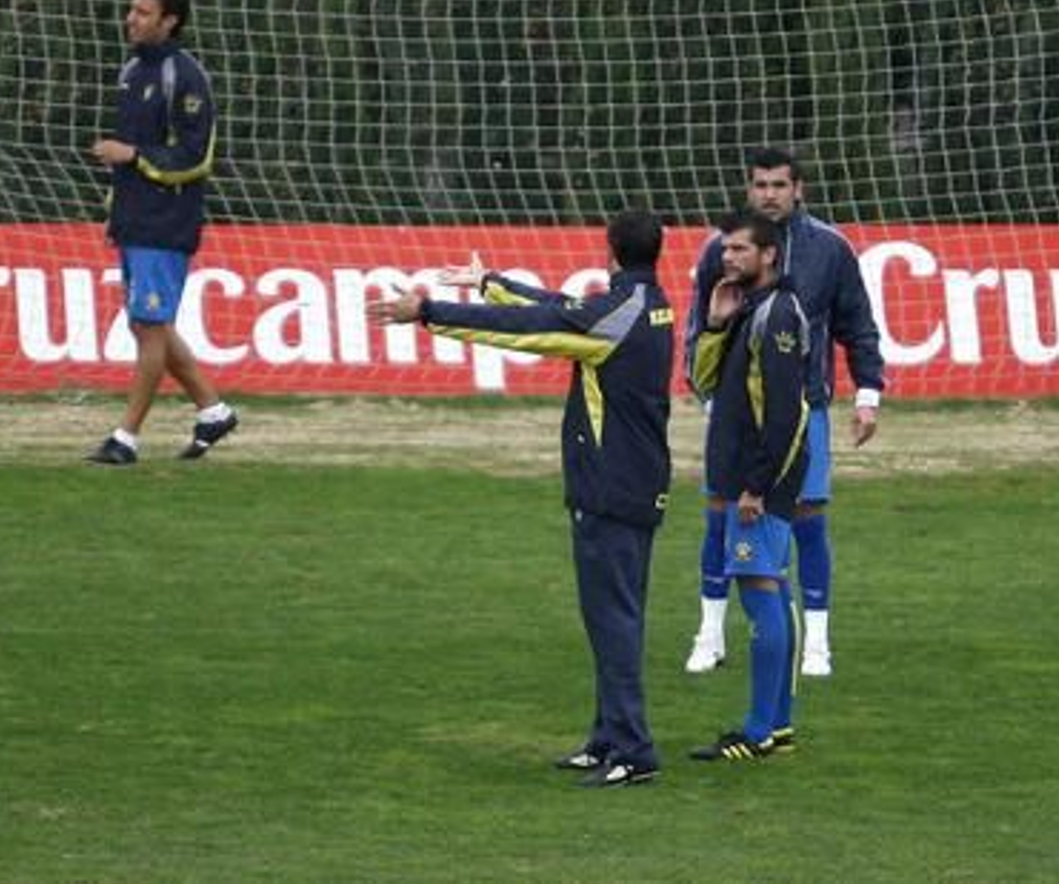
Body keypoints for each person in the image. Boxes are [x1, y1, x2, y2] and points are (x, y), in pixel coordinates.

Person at [367, 210, 674, 788]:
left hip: (611, 489)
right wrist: (492, 283)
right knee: (609, 616)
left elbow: (533, 329)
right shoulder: (645, 304)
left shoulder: (614, 317)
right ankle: (609, 736)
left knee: (614, 620)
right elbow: (558, 306)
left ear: (609, 252)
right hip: (631, 482)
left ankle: (634, 749)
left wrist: (430, 313)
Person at [683, 148, 885, 676]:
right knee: (720, 517)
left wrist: (868, 394)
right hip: (732, 418)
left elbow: (856, 324)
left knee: (807, 519)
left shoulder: (830, 249)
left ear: (799, 190)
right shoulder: (721, 250)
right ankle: (709, 635)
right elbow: (697, 328)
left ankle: (816, 642)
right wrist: (708, 399)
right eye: (759, 185)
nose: (768, 193)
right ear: (748, 190)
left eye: (778, 184)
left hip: (804, 408)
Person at [86, 0, 237, 465]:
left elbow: (198, 155)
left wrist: (130, 155)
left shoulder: (186, 76)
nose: (131, 18)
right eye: (132, 9)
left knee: (150, 326)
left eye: (144, 12)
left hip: (166, 221)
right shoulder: (131, 71)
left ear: (169, 22)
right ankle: (213, 411)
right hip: (132, 217)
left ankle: (125, 438)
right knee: (145, 324)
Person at [688, 209, 808, 762]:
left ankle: (760, 730)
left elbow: (785, 412)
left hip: (759, 482)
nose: (728, 257)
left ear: (769, 255)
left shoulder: (778, 314)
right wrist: (715, 324)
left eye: (739, 249)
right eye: (725, 249)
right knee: (768, 591)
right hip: (742, 476)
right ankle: (776, 726)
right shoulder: (745, 309)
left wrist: (757, 486)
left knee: (761, 594)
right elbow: (701, 382)